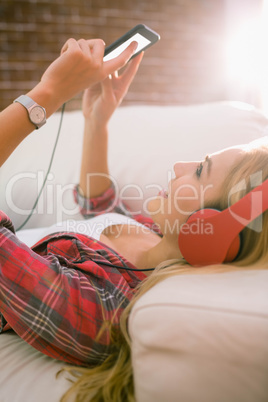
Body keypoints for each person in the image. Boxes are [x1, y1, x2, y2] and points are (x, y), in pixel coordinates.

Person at [0, 37, 268, 402]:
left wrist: (47, 94)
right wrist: (99, 121)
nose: (178, 166)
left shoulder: (102, 306)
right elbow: (100, 207)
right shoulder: (156, 236)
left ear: (215, 232)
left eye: (201, 171)